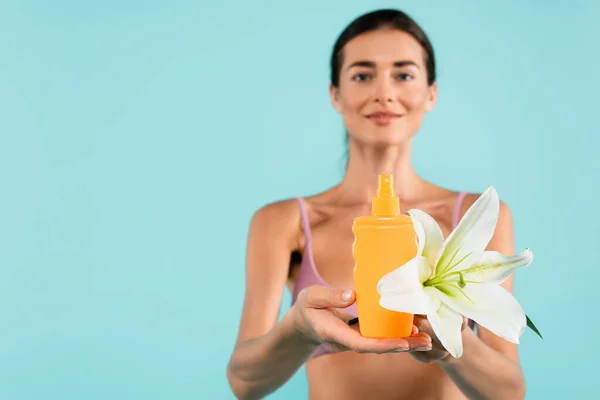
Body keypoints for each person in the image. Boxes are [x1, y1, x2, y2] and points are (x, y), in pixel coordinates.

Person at [226, 8, 526, 400]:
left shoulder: (477, 217)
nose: (384, 92)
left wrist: (450, 345)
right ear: (335, 94)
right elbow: (245, 383)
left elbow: (509, 392)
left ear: (431, 93)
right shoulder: (285, 223)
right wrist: (298, 329)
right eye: (362, 75)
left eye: (404, 74)